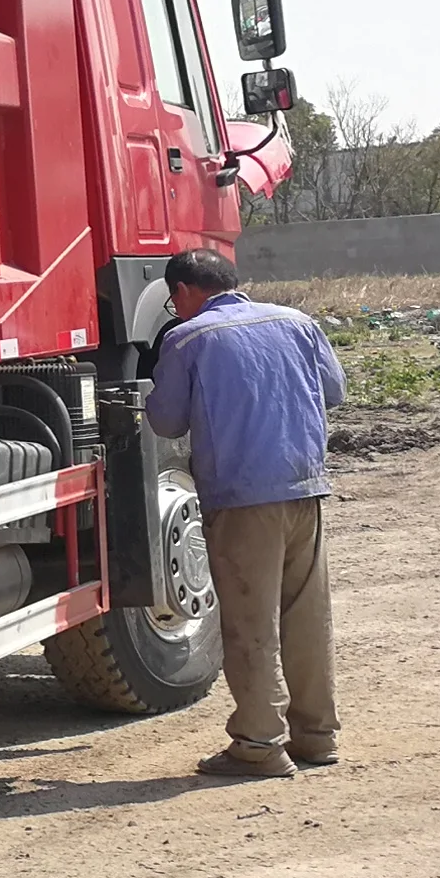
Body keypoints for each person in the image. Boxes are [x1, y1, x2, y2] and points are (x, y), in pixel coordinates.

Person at [142, 246, 346, 778]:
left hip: (241, 499)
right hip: (304, 489)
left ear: (183, 291)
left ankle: (259, 746)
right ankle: (317, 737)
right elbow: (334, 392)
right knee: (306, 617)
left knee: (250, 623)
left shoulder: (187, 338)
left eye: (174, 301)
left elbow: (166, 422)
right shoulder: (297, 322)